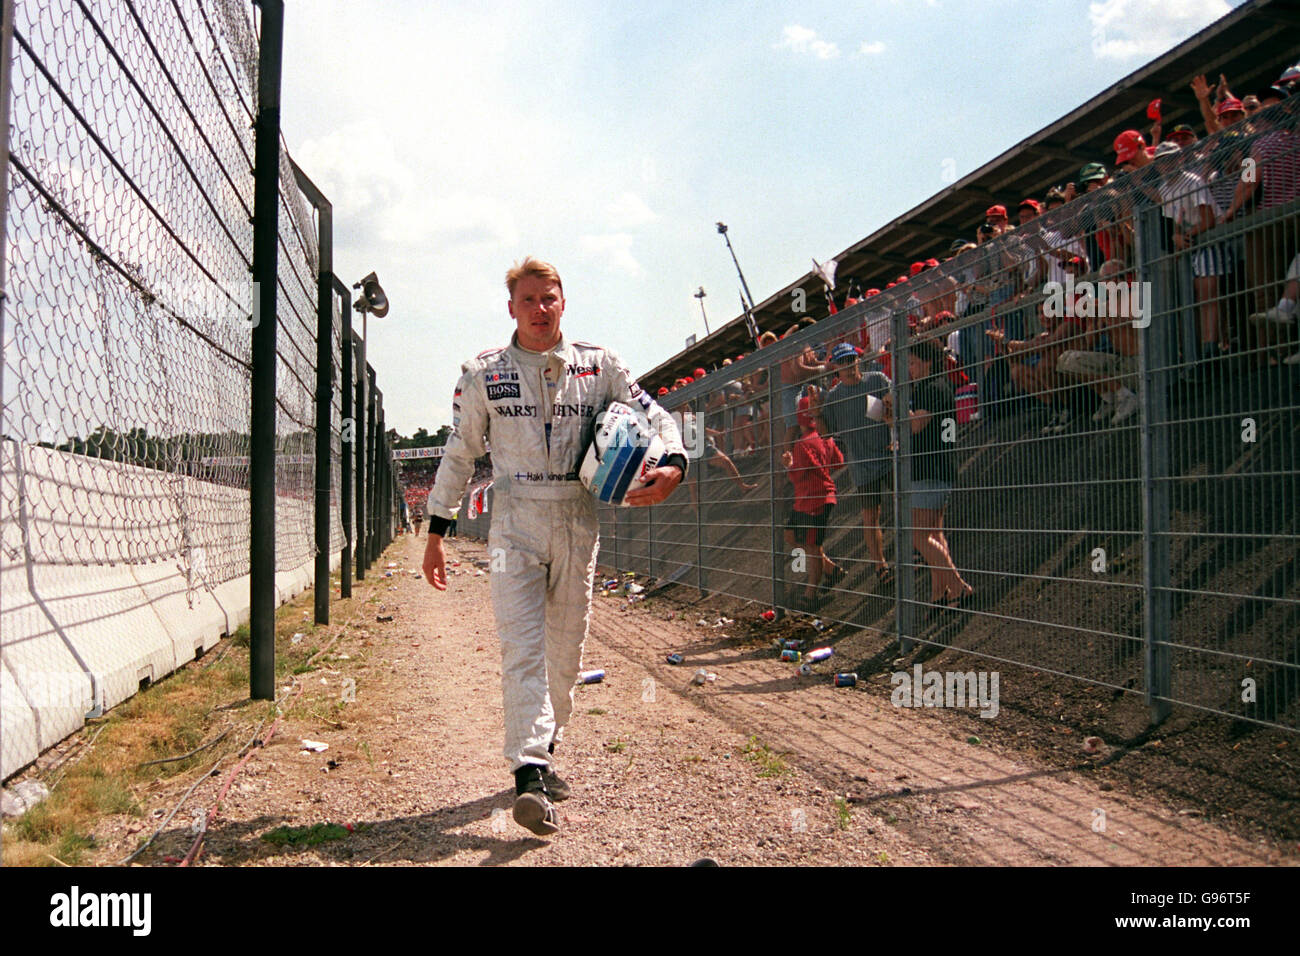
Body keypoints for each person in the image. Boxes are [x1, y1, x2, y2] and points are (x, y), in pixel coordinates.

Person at [423, 257, 687, 836]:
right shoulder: (481, 373)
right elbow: (460, 453)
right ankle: (530, 774)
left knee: (564, 655)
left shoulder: (601, 366)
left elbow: (656, 413)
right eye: (527, 301)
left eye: (549, 299)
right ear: (510, 308)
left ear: (563, 302)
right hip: (514, 521)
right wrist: (437, 532)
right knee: (522, 648)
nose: (539, 310)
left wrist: (674, 462)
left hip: (577, 516)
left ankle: (544, 742)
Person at [883, 337, 973, 608]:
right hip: (938, 467)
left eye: (912, 362)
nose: (910, 368)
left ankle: (958, 585)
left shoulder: (931, 389)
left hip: (929, 468)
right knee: (934, 532)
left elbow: (917, 425)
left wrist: (893, 413)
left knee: (920, 536)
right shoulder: (937, 387)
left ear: (927, 362)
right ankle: (940, 593)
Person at [821, 343, 893, 584]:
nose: (849, 366)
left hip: (890, 455)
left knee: (905, 504)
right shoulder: (834, 397)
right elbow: (826, 432)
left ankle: (916, 552)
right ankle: (880, 567)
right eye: (843, 362)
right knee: (870, 516)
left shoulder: (877, 380)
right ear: (836, 368)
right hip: (861, 465)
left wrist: (891, 409)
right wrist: (815, 412)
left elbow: (896, 405)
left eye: (851, 359)